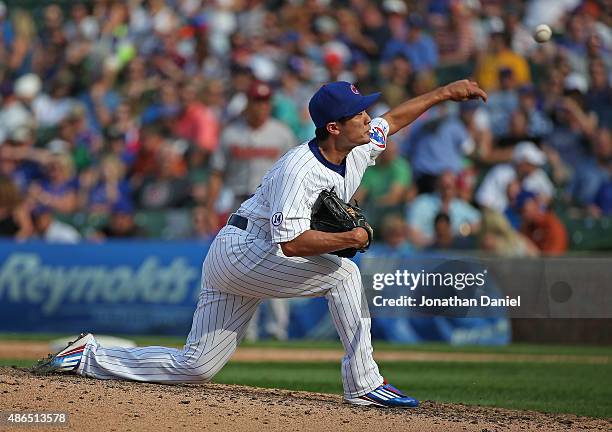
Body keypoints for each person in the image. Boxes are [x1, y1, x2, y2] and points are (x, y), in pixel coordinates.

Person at [33, 79, 487, 408]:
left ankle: (87, 356)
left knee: (196, 367)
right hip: (247, 251)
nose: (369, 119)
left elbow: (393, 120)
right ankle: (364, 384)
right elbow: (290, 244)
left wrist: (445, 93)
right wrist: (350, 236)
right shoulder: (299, 169)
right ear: (333, 127)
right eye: (359, 114)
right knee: (344, 273)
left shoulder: (358, 146)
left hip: (242, 253)